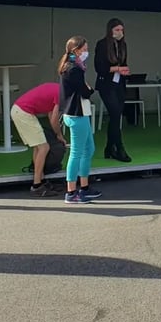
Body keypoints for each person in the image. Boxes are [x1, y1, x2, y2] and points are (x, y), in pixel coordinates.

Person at [58, 36, 101, 205]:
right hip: (77, 114)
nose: (86, 52)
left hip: (77, 114)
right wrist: (89, 89)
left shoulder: (72, 66)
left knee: (88, 149)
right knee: (76, 153)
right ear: (76, 50)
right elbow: (85, 91)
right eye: (84, 49)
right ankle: (71, 191)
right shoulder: (73, 69)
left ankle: (84, 187)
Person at [11, 82, 65, 196]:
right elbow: (54, 118)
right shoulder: (62, 93)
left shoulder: (57, 89)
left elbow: (51, 114)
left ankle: (40, 180)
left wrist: (57, 134)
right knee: (44, 147)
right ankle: (37, 185)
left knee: (38, 147)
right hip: (24, 112)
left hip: (20, 110)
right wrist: (59, 135)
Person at [94, 18, 131, 162]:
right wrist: (117, 69)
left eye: (121, 30)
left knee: (116, 116)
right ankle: (119, 147)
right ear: (110, 31)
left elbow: (124, 62)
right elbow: (99, 68)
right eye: (117, 30)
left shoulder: (123, 45)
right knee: (115, 113)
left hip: (119, 84)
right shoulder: (102, 45)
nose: (119, 33)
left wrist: (125, 70)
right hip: (106, 85)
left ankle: (109, 148)